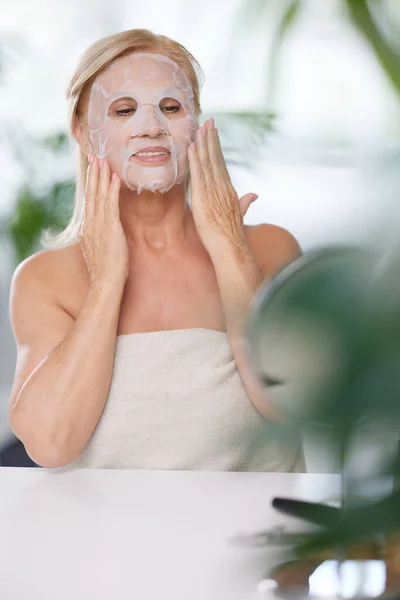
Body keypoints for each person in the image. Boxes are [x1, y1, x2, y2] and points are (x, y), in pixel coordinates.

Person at [7, 29, 304, 471]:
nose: (151, 127)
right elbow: (51, 444)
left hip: (259, 534)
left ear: (196, 124)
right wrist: (107, 281)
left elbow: (293, 404)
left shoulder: (268, 248)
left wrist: (229, 251)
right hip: (105, 538)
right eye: (124, 110)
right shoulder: (46, 279)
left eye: (171, 107)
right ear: (83, 133)